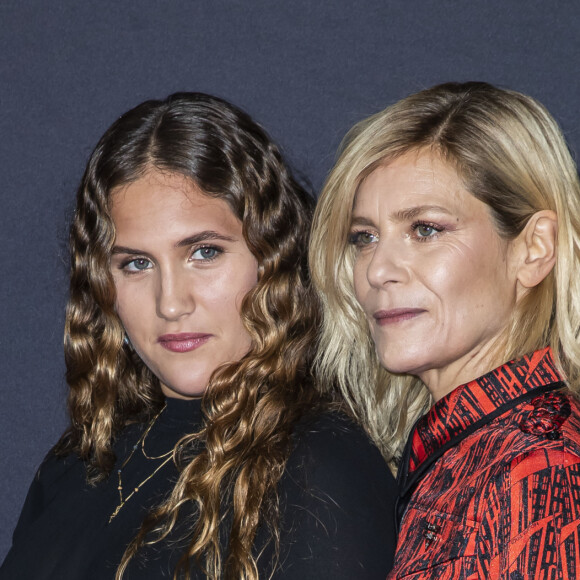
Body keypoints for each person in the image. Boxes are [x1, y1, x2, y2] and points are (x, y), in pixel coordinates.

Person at [1, 93, 397, 580]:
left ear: (272, 259)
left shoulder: (323, 467)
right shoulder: (77, 463)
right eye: (136, 264)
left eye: (204, 253)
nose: (171, 303)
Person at [309, 82, 580, 577]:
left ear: (533, 248)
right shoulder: (465, 453)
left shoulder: (541, 471)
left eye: (425, 229)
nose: (376, 270)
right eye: (364, 238)